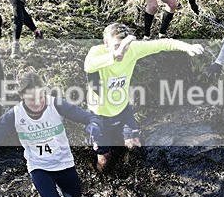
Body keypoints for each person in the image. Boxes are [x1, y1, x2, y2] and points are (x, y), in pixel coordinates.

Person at [85, 22, 204, 171]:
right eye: (116, 46)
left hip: (123, 109)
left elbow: (161, 44)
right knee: (104, 159)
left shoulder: (133, 49)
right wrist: (116, 54)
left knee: (134, 144)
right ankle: (101, 177)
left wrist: (186, 47)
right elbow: (88, 66)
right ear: (106, 43)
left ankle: (130, 170)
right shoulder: (96, 52)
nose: (123, 51)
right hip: (99, 115)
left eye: (125, 46)